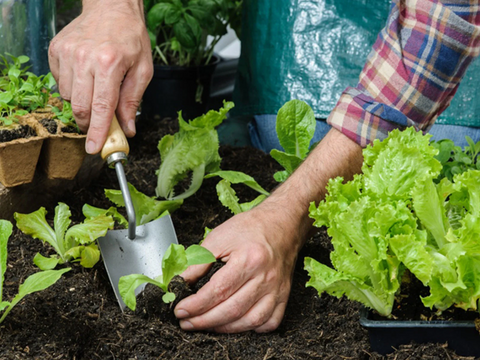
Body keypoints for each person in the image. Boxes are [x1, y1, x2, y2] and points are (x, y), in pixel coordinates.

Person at [49, 0, 480, 333]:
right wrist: (113, 8)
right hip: (290, 44)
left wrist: (285, 219)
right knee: (274, 132)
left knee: (447, 149)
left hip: (440, 80)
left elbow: (442, 20)